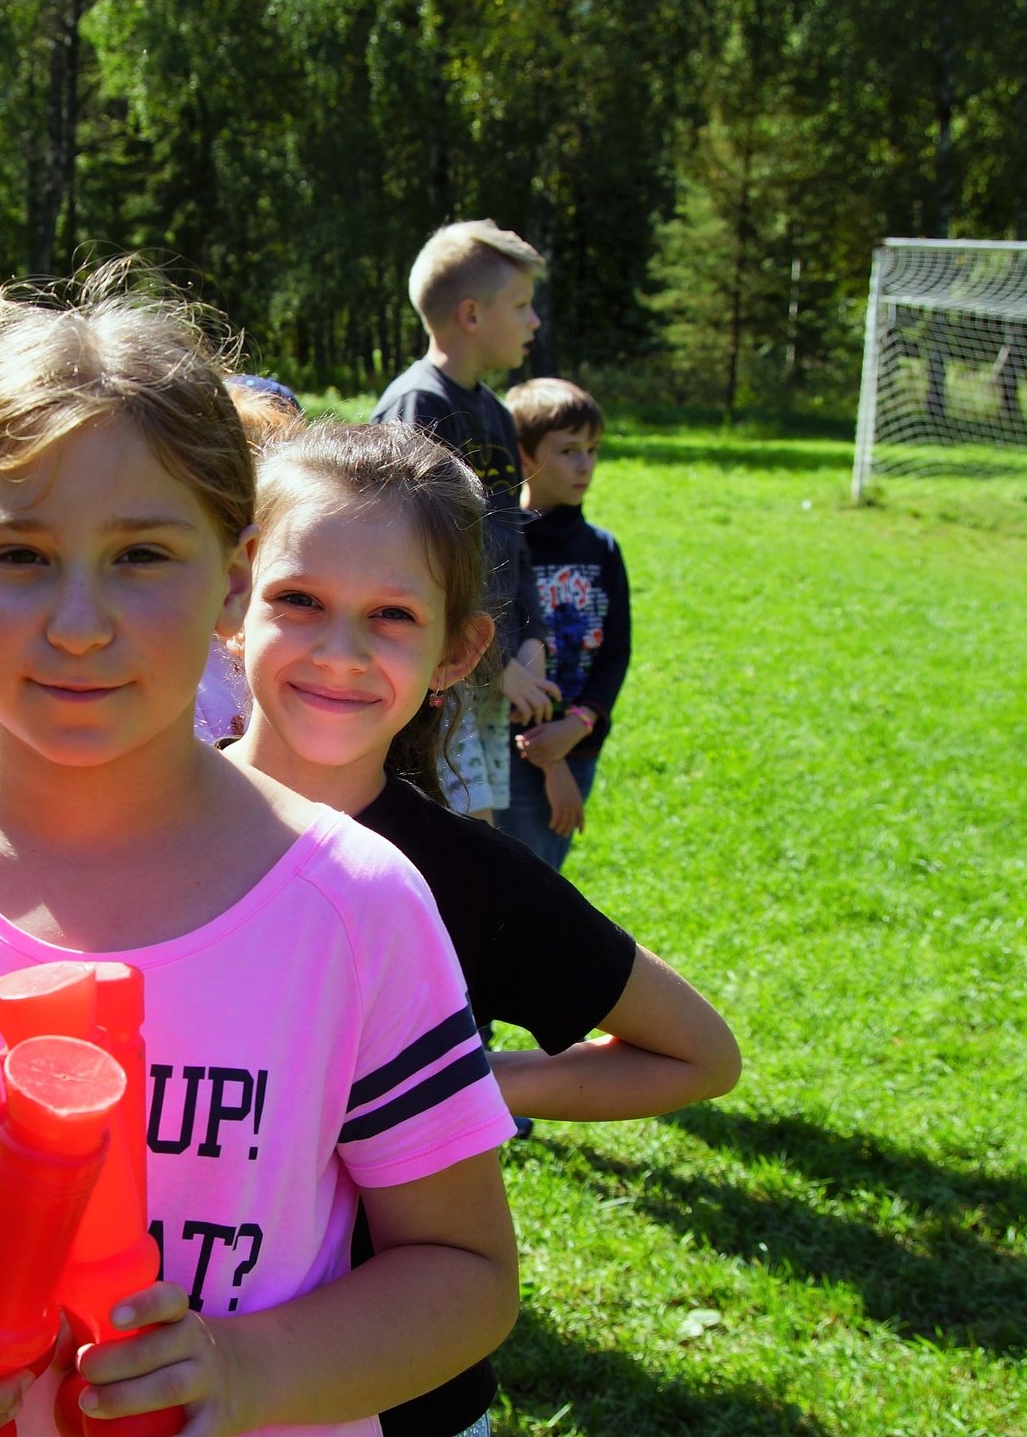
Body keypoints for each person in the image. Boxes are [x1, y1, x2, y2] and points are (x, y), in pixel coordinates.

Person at [0, 275, 522, 1437]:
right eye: (17, 555)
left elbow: (463, 1273)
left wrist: (244, 1372)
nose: (77, 621)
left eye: (141, 556)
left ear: (229, 577)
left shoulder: (352, 904)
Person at [221, 420, 736, 1437]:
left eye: (392, 617)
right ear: (234, 598)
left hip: (398, 1396)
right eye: (299, 601)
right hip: (152, 1366)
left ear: (457, 651)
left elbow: (698, 1054)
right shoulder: (132, 824)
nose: (340, 652)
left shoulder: (464, 878)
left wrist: (476, 1088)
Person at [371, 220, 557, 827]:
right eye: (522, 306)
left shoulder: (498, 415)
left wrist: (528, 643)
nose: (534, 322)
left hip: (488, 673)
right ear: (471, 315)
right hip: (442, 677)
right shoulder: (419, 406)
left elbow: (512, 538)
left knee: (484, 836)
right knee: (451, 833)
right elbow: (410, 560)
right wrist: (494, 664)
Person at [499, 378, 626, 871]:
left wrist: (580, 725)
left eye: (593, 450)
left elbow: (616, 651)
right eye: (569, 450)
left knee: (546, 870)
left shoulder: (603, 548)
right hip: (520, 750)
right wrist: (549, 757)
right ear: (524, 456)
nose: (585, 465)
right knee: (524, 880)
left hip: (579, 740)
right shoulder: (507, 546)